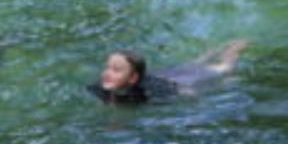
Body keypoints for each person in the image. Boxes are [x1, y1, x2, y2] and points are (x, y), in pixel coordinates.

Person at [89, 40, 249, 105]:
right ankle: (212, 51)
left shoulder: (150, 91)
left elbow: (184, 91)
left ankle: (236, 48)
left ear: (133, 78)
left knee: (224, 69)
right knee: (193, 64)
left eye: (116, 70)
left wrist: (199, 97)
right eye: (107, 67)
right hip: (165, 74)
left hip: (176, 82)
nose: (107, 73)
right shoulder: (99, 88)